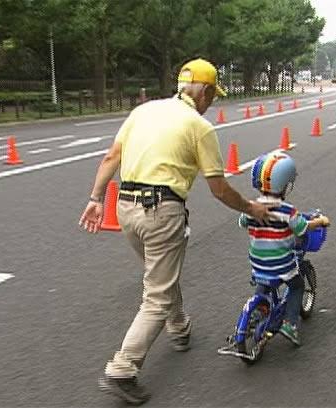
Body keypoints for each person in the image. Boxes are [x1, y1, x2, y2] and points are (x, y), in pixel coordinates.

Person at [78, 58, 272, 405]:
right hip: (161, 211)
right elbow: (219, 189)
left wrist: (95, 199)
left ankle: (179, 327)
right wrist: (252, 208)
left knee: (160, 278)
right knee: (157, 294)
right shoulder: (199, 127)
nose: (212, 103)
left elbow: (111, 157)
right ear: (207, 91)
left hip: (125, 208)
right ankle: (123, 368)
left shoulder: (144, 111)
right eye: (213, 96)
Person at [238, 150, 330, 345]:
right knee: (297, 286)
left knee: (264, 282)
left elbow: (243, 222)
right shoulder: (288, 211)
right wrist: (320, 221)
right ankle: (290, 324)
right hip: (281, 264)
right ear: (284, 184)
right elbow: (303, 227)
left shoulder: (251, 207)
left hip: (258, 264)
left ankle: (258, 312)